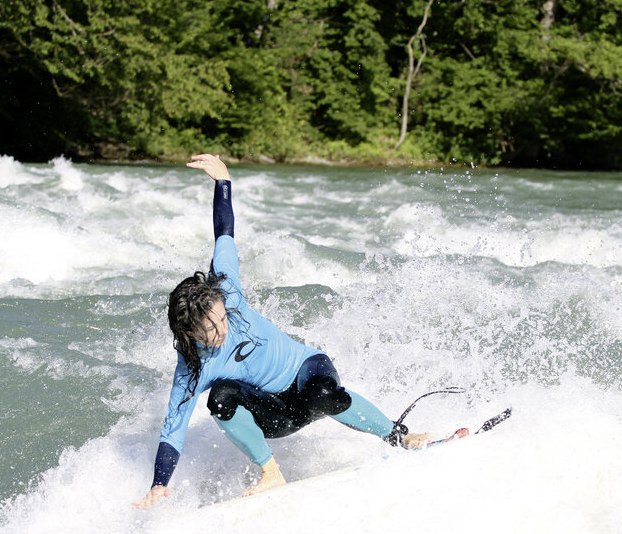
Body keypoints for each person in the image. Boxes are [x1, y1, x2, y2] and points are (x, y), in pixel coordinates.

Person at [133, 154, 430, 509]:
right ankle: (271, 472)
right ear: (189, 334)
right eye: (210, 330)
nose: (222, 329)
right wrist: (158, 484)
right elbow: (173, 428)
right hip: (277, 413)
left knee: (324, 392)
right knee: (220, 399)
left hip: (308, 374)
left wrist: (223, 181)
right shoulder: (193, 367)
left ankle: (399, 436)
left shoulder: (227, 290)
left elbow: (223, 232)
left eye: (222, 318)